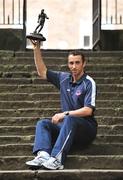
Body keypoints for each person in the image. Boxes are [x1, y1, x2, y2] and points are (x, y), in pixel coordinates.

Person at [26, 40, 98, 170]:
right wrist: (36, 49)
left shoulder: (88, 82)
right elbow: (42, 72)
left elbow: (88, 110)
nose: (74, 66)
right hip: (68, 128)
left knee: (70, 118)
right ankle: (43, 155)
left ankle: (57, 159)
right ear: (68, 64)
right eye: (71, 63)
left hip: (86, 130)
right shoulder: (63, 78)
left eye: (77, 62)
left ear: (84, 63)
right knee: (43, 124)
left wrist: (64, 114)